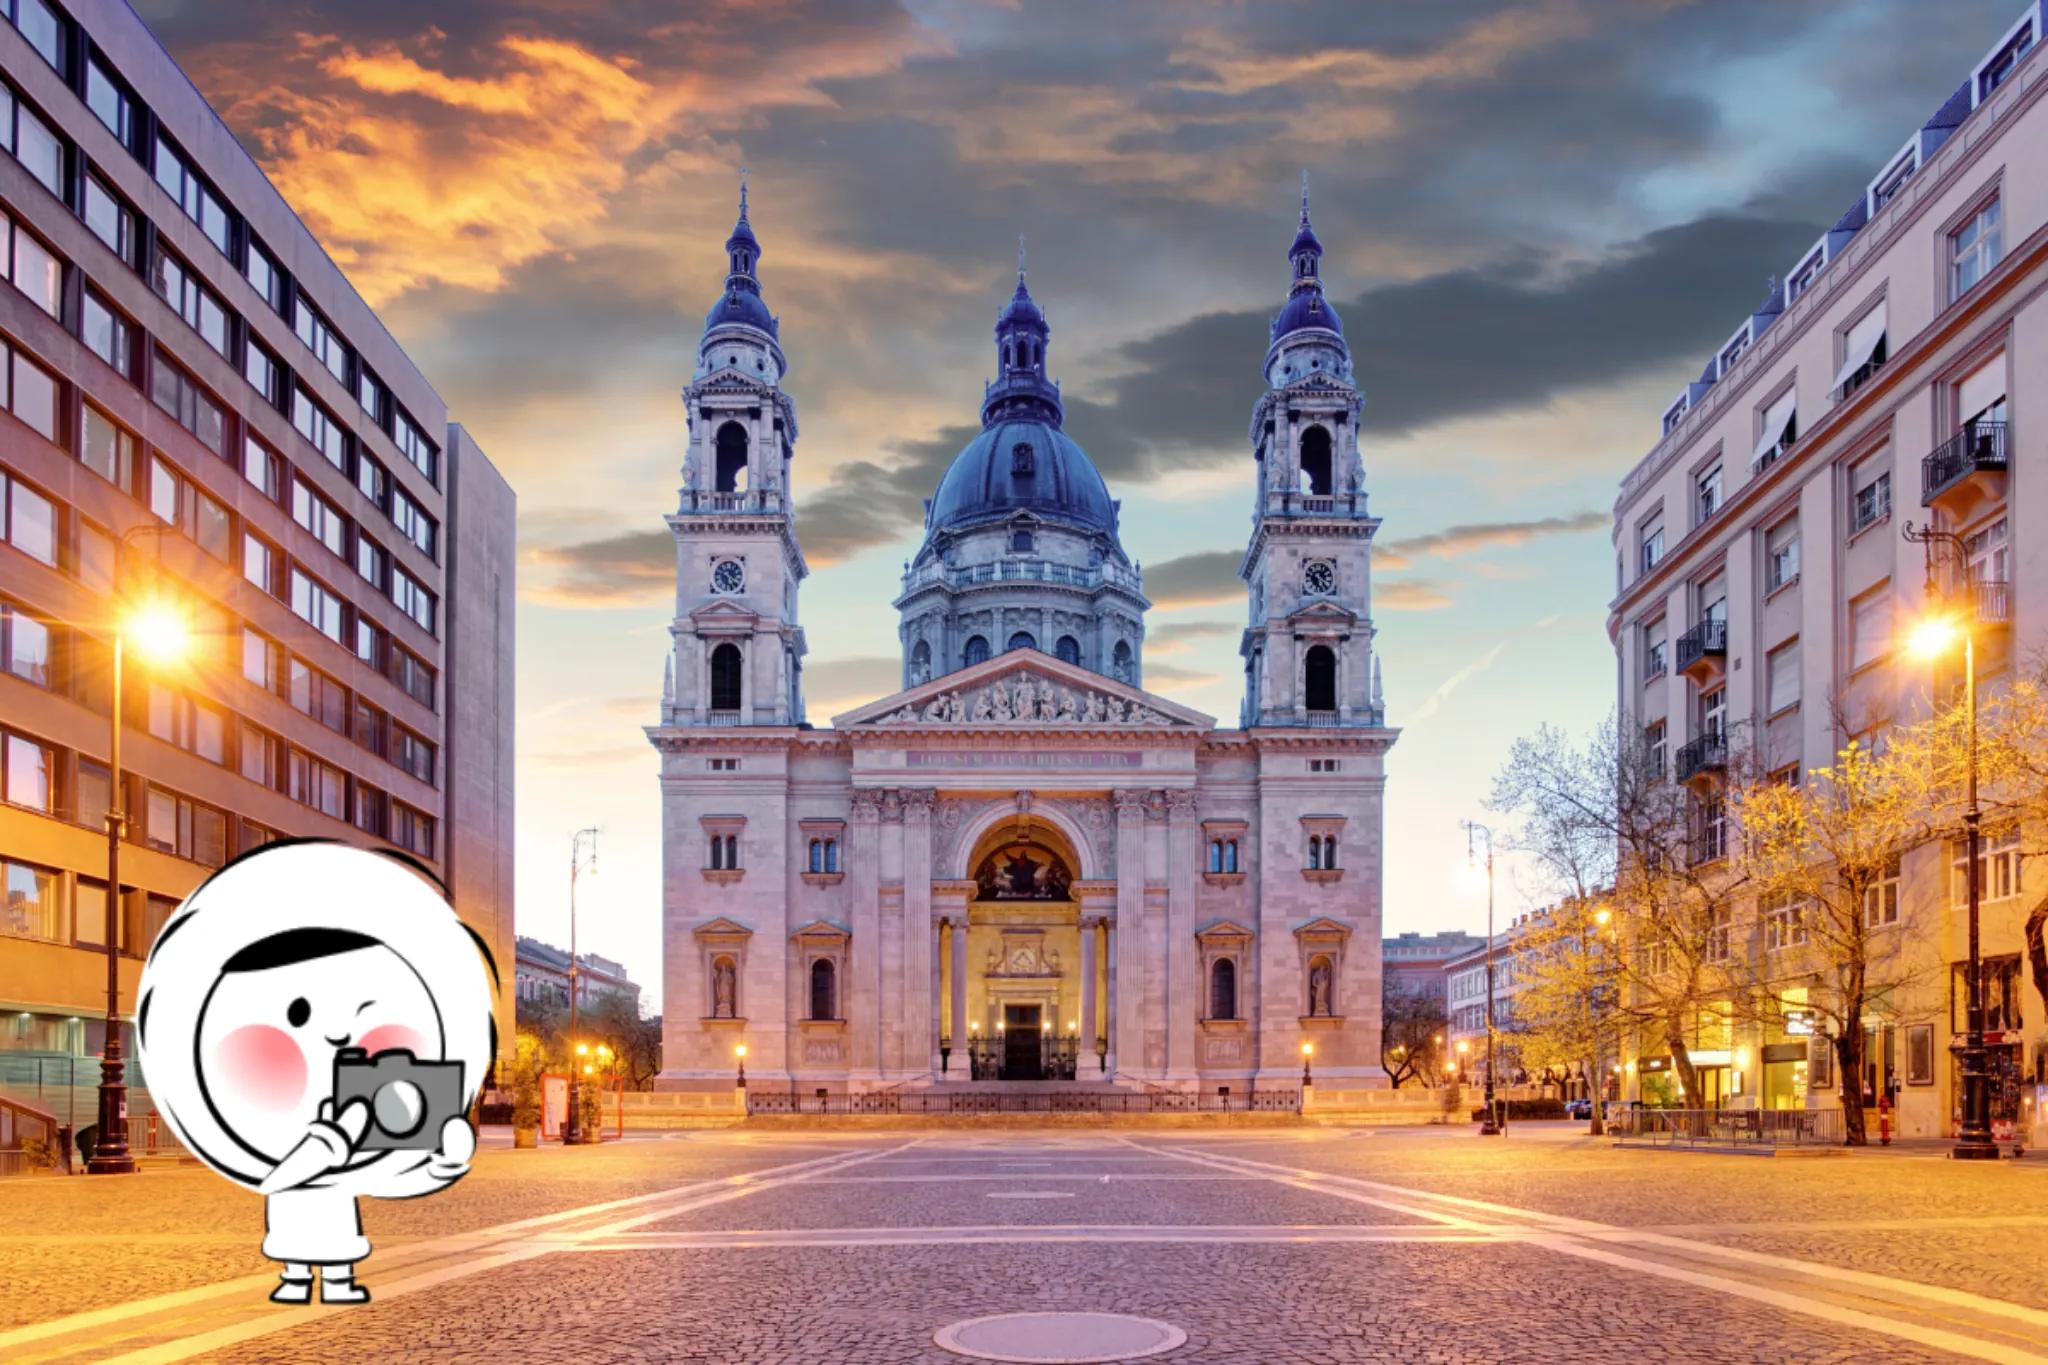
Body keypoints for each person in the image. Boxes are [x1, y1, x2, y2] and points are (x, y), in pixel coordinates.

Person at [136, 841, 495, 1304]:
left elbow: (398, 1169)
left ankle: (331, 1279)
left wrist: (444, 1159)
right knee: (298, 1239)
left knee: (331, 1238)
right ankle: (300, 1277)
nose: (336, 1036)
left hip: (332, 1195)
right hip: (301, 1191)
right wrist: (333, 1140)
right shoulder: (260, 1132)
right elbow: (292, 1168)